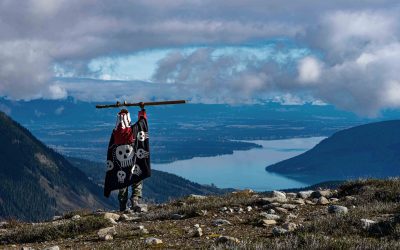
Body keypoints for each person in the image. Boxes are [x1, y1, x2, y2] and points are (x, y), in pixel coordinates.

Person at [112, 108, 146, 212]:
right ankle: (135, 200)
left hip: (120, 164)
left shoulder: (115, 133)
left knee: (122, 182)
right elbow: (142, 122)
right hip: (133, 161)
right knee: (137, 178)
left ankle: (122, 206)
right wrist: (142, 109)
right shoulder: (133, 130)